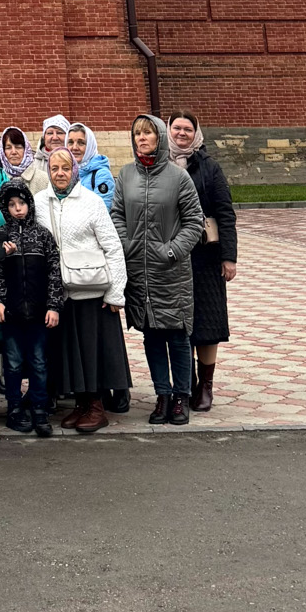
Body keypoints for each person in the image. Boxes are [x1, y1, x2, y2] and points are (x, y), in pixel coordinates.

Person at [111, 115, 204, 427]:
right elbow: (117, 214)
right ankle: (162, 395)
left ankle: (181, 397)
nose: (142, 138)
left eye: (148, 133)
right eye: (137, 133)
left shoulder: (178, 177)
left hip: (171, 272)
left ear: (160, 137)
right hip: (140, 271)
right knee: (151, 335)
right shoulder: (126, 175)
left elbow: (195, 221)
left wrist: (172, 250)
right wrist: (127, 245)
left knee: (177, 336)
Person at [37, 146, 129, 433]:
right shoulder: (40, 202)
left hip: (92, 291)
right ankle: (81, 404)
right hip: (60, 293)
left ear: (74, 170)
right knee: (71, 352)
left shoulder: (91, 202)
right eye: (54, 168)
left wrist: (116, 292)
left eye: (66, 168)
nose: (60, 173)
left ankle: (97, 407)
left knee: (92, 351)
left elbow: (113, 247)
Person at [167, 109, 239, 412]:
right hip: (172, 257)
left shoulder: (209, 167)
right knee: (178, 322)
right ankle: (188, 381)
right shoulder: (161, 165)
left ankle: (205, 385)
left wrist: (229, 257)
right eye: (177, 128)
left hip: (206, 257)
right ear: (168, 130)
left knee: (207, 322)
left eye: (187, 129)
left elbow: (225, 213)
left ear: (196, 133)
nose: (182, 133)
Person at [0, 178, 63, 435]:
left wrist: (53, 305)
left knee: (38, 362)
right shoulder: (1, 236)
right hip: (12, 314)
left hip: (39, 314)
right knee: (13, 364)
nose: (18, 208)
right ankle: (15, 409)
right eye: (12, 204)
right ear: (5, 208)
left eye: (22, 203)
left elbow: (54, 272)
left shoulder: (43, 235)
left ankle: (39, 409)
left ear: (30, 204)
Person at [66, 123, 116, 208]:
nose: (74, 147)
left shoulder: (102, 175)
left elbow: (103, 210)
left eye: (81, 143)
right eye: (70, 142)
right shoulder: (65, 171)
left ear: (90, 145)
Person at [0, 125, 45, 196]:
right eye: (8, 148)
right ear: (3, 152)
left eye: (18, 147)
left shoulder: (43, 179)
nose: (13, 152)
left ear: (26, 150)